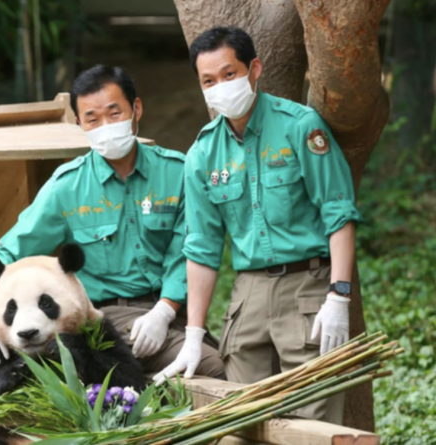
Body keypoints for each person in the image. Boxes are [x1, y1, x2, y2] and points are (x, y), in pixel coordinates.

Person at [154, 26, 362, 424]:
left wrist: (338, 295)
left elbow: (339, 212)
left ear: (254, 69)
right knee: (243, 419)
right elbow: (201, 247)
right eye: (208, 81)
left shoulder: (300, 126)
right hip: (247, 294)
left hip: (308, 286)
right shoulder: (201, 154)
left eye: (229, 74)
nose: (220, 87)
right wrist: (194, 334)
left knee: (312, 418)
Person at [0, 64, 225, 380]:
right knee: (214, 368)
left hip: (170, 313)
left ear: (136, 109)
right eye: (92, 119)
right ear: (79, 123)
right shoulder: (67, 186)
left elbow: (189, 250)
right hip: (103, 317)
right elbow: (11, 250)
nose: (105, 125)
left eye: (114, 113)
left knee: (222, 360)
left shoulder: (178, 172)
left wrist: (163, 311)